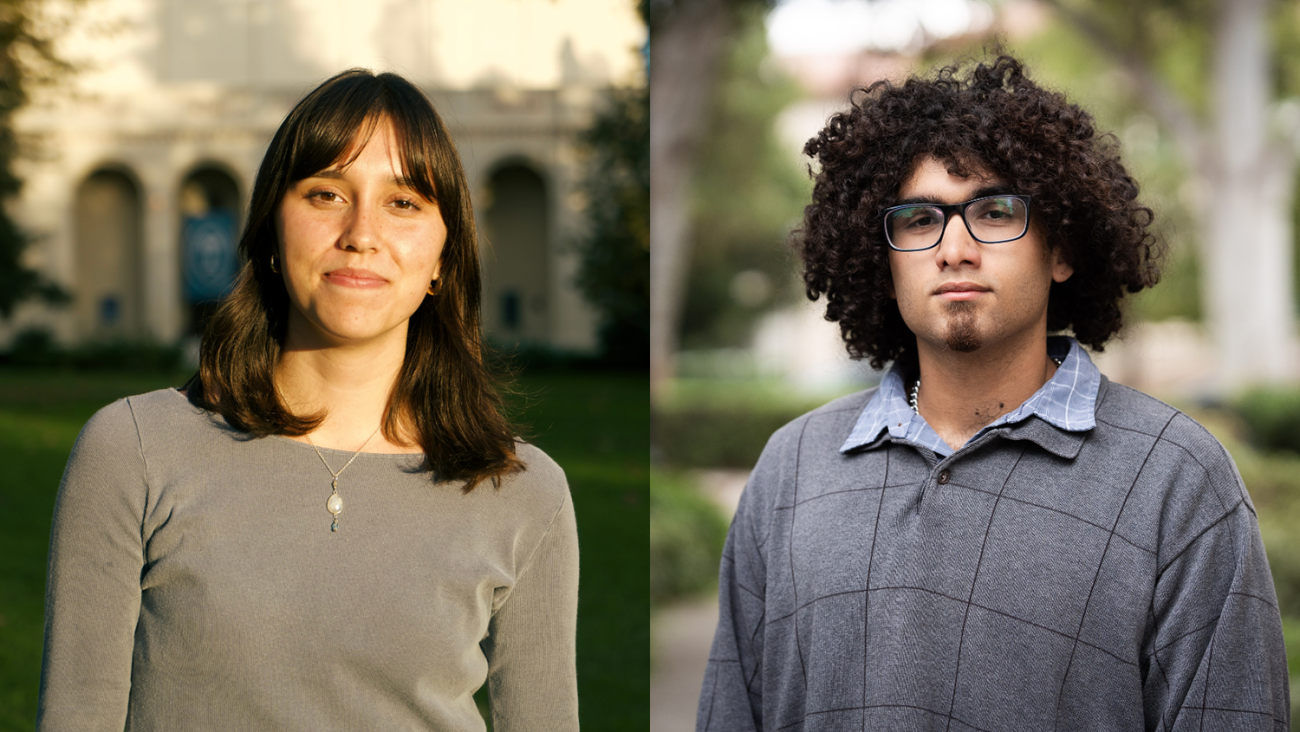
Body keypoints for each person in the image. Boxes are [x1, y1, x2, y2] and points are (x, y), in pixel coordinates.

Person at [696, 56, 1289, 731]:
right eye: (920, 219)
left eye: (996, 211)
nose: (954, 249)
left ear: (1061, 250)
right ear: (884, 262)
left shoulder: (1177, 480)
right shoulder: (790, 470)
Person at [38, 69, 578, 731]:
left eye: (403, 202)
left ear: (443, 257)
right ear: (271, 231)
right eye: (326, 194)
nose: (361, 232)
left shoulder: (523, 493)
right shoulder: (134, 452)